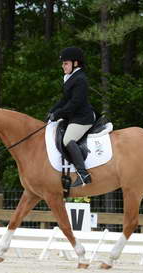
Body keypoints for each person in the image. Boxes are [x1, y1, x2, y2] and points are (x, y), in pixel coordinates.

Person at [48, 46, 95, 187]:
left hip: (82, 118)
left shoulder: (80, 79)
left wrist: (59, 114)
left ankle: (83, 173)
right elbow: (64, 100)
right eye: (63, 64)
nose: (63, 66)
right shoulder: (70, 77)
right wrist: (52, 111)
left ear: (75, 63)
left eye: (66, 63)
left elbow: (75, 103)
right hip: (73, 117)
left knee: (68, 139)